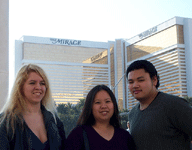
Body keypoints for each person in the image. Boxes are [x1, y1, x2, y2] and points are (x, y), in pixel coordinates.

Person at [126, 59, 192, 150]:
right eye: (130, 82)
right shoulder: (132, 114)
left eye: (140, 80)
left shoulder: (175, 105)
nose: (135, 85)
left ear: (154, 80)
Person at [0, 64, 66, 150]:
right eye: (32, 83)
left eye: (42, 83)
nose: (38, 87)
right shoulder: (6, 122)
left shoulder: (54, 120)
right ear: (20, 87)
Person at [66, 84, 136, 150]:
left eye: (107, 101)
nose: (103, 106)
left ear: (114, 104)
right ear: (90, 107)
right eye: (98, 102)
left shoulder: (125, 137)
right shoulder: (78, 135)